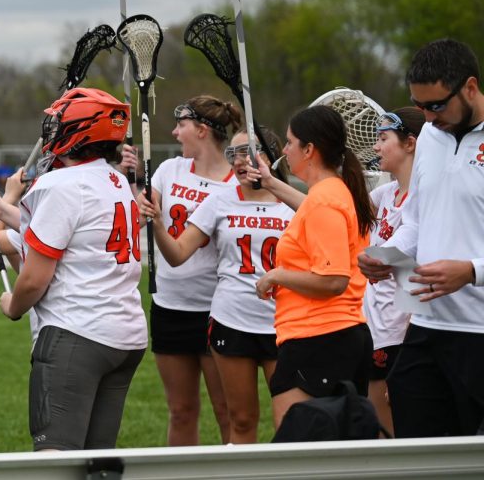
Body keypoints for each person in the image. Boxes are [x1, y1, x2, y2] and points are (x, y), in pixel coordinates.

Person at [0, 88, 146, 451]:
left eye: (58, 123)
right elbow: (67, 228)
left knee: (54, 459)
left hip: (79, 332)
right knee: (95, 462)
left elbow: (35, 279)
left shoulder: (61, 184)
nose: (50, 130)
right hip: (125, 334)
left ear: (79, 131)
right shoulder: (114, 179)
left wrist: (13, 305)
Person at [359, 38, 484, 437]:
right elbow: (418, 218)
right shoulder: (431, 135)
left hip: (478, 330)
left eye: (436, 106)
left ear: (469, 87)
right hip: (426, 325)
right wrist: (389, 255)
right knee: (418, 450)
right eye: (420, 107)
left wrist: (471, 271)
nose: (428, 119)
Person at [141, 130, 293, 443]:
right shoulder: (220, 200)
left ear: (271, 155)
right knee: (240, 419)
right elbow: (179, 253)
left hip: (283, 324)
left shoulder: (293, 204)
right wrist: (157, 225)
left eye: (246, 153)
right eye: (233, 154)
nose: (239, 161)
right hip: (232, 320)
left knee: (290, 422)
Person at [254, 105, 374, 427]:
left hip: (319, 338)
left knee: (297, 453)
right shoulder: (328, 194)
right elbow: (311, 211)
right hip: (332, 337)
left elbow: (334, 279)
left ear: (309, 150)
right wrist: (271, 183)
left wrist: (277, 275)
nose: (284, 149)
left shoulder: (326, 199)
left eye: (291, 142)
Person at [147, 97, 240, 445]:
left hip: (216, 310)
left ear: (201, 131)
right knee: (181, 410)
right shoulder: (171, 169)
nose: (174, 132)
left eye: (181, 125)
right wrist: (128, 175)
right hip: (170, 306)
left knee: (225, 410)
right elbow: (142, 202)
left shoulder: (234, 184)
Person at [358, 107, 423, 436]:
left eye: (383, 139)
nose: (376, 147)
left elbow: (413, 275)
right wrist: (273, 184)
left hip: (402, 336)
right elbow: (328, 212)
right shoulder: (385, 194)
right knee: (381, 435)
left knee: (397, 438)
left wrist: (411, 345)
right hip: (377, 330)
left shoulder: (425, 199)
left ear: (410, 143)